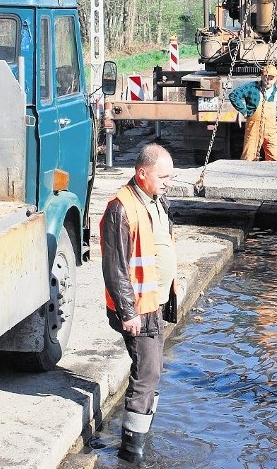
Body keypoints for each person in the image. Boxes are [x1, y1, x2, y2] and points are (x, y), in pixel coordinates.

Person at [100, 143, 178, 466]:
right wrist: (127, 312)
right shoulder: (121, 208)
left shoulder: (157, 201)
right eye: (163, 176)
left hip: (154, 304)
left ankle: (139, 441)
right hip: (137, 310)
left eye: (170, 176)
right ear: (142, 173)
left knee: (153, 370)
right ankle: (131, 455)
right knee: (146, 375)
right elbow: (114, 266)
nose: (168, 182)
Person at [228, 64, 277, 161]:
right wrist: (244, 112)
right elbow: (233, 95)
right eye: (266, 78)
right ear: (262, 76)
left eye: (271, 78)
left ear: (276, 79)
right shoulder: (252, 87)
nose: (268, 81)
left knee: (275, 158)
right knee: (248, 157)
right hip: (254, 128)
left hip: (271, 129)